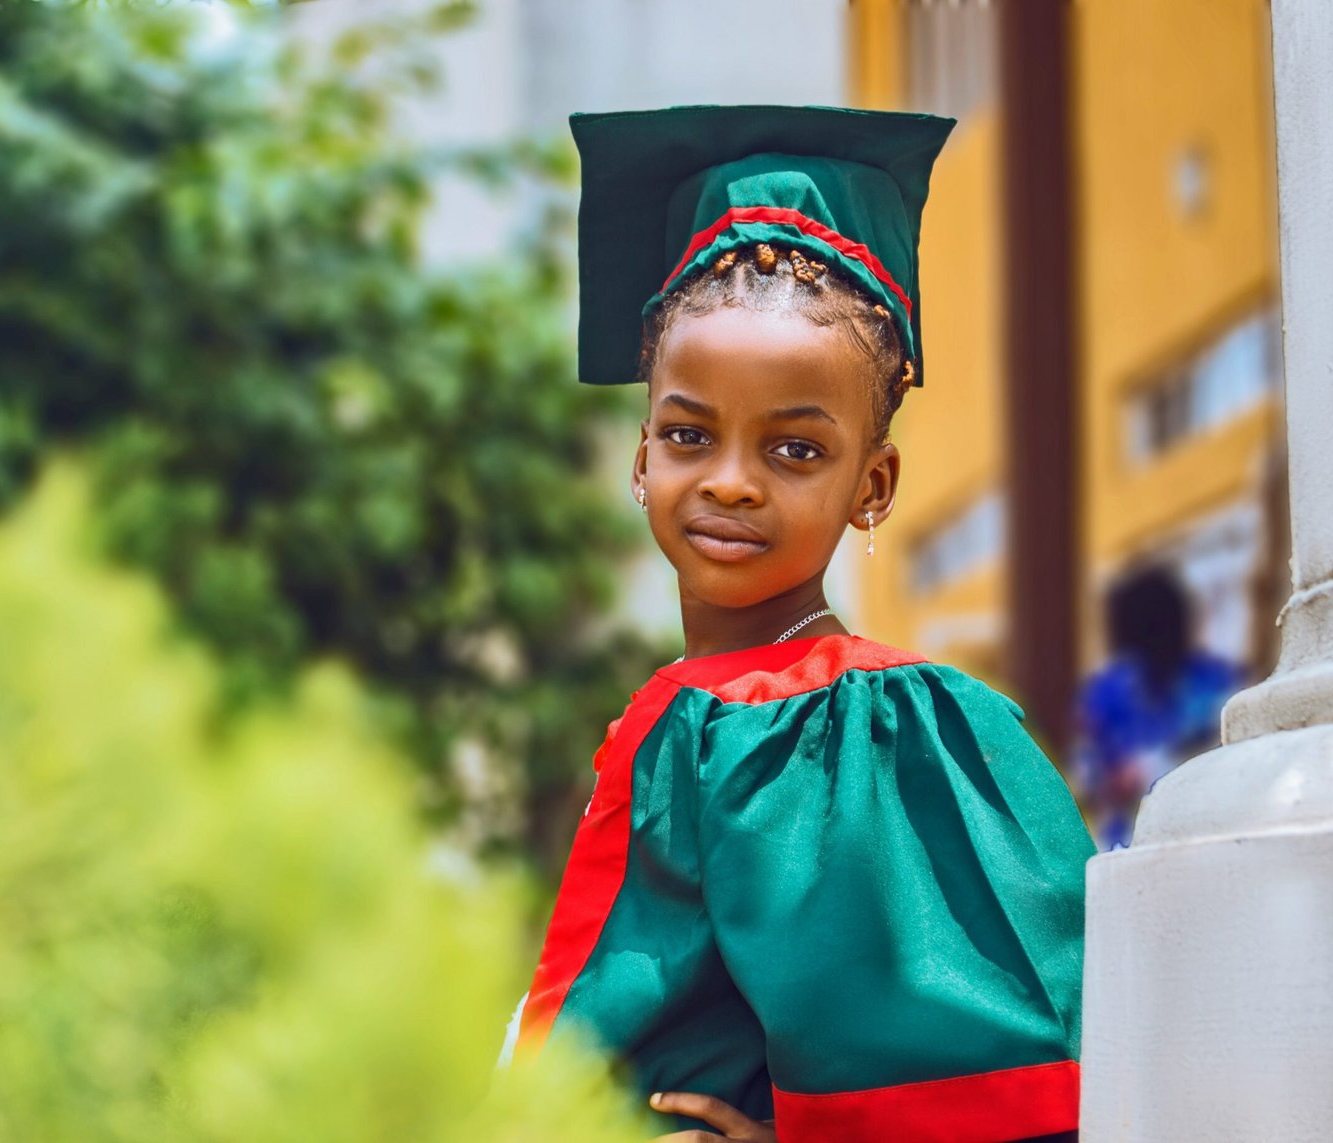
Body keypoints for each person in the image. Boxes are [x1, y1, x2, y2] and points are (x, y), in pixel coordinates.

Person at [503, 106, 1096, 1143]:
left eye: (794, 451)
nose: (729, 483)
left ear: (873, 485)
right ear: (641, 456)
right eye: (690, 434)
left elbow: (971, 1088)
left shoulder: (872, 736)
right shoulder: (688, 715)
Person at [1074, 563, 1244, 849]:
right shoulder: (1106, 693)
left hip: (1207, 835)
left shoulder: (1218, 685)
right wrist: (1115, 782)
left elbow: (1237, 758)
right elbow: (1087, 777)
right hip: (1131, 842)